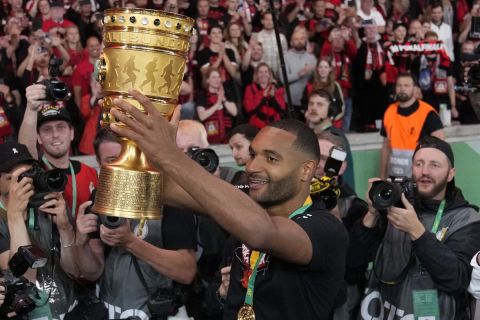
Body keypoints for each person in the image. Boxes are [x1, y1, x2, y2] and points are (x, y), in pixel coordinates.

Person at [108, 89, 349, 319]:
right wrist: (136, 147)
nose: (252, 167)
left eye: (272, 158)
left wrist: (170, 155)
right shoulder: (247, 201)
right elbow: (153, 190)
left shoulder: (325, 227)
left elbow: (261, 231)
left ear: (306, 170)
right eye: (253, 155)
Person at [348, 135, 480, 319]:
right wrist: (371, 215)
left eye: (434, 165)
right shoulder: (394, 207)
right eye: (418, 164)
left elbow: (457, 279)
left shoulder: (466, 219)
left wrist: (416, 231)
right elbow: (351, 269)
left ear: (451, 174)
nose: (424, 171)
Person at [73, 129, 197, 319]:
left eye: (127, 158)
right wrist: (80, 242)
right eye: (112, 160)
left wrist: (131, 242)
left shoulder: (169, 198)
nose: (122, 167)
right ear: (99, 164)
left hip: (159, 312)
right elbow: (93, 272)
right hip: (113, 310)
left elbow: (186, 271)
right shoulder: (99, 197)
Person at [0, 141, 80, 318]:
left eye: (28, 174)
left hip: (69, 309)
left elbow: (74, 271)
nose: (25, 183)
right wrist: (15, 215)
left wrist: (65, 228)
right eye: (13, 179)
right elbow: (25, 279)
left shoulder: (49, 204)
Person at [18, 83, 98, 218]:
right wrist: (31, 109)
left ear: (71, 133)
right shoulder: (37, 171)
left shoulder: (90, 173)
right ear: (38, 137)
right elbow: (25, 150)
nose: (55, 134)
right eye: (47, 129)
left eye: (60, 127)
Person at [380, 73, 444, 179]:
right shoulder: (389, 112)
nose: (402, 89)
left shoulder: (428, 113)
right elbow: (386, 147)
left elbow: (441, 150)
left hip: (420, 180)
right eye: (399, 85)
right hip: (394, 178)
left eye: (406, 86)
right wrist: (382, 176)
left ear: (415, 89)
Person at [305, 90, 355, 189]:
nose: (313, 108)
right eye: (311, 104)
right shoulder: (313, 135)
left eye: (320, 104)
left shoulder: (335, 137)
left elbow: (332, 176)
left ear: (330, 109)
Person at [243, 62, 286, 129]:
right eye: (260, 72)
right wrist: (262, 96)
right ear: (256, 75)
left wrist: (273, 98)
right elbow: (248, 109)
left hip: (274, 125)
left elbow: (282, 108)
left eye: (266, 72)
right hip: (256, 125)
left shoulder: (277, 88)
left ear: (269, 74)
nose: (263, 74)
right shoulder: (250, 88)